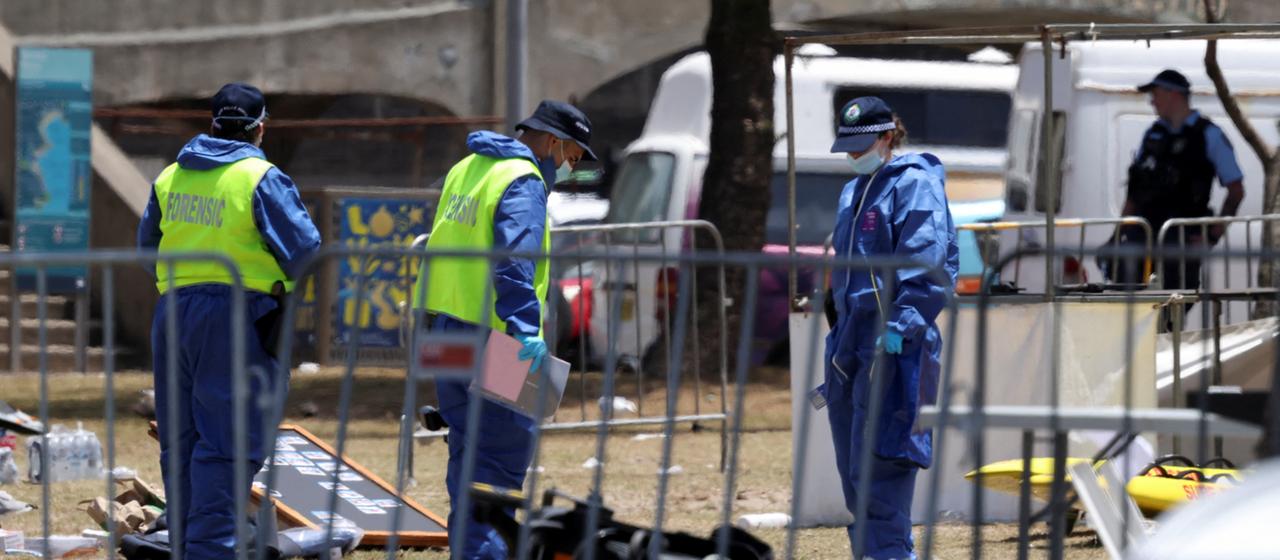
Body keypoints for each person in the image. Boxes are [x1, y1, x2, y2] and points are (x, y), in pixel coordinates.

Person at [136, 83, 321, 559]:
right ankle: (211, 551)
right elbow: (305, 250)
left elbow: (146, 247)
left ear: (213, 124)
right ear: (261, 128)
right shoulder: (260, 177)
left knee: (182, 442)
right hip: (239, 315)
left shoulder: (171, 176)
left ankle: (188, 546)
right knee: (229, 443)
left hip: (174, 313)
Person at [412, 100, 595, 559]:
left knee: (466, 453)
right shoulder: (522, 180)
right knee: (497, 462)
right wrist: (525, 330)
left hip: (444, 331)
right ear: (552, 142)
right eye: (572, 157)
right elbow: (514, 261)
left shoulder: (468, 167)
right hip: (495, 339)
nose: (570, 169)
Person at [819, 97, 958, 560]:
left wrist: (900, 327)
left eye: (862, 144)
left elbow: (927, 264)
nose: (854, 154)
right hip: (850, 347)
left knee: (885, 468)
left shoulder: (915, 184)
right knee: (855, 474)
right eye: (848, 145)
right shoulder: (854, 191)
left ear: (887, 137)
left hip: (897, 348)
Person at [1113, 69, 1244, 290]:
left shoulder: (1208, 134)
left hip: (1181, 240)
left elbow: (1236, 191)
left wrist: (1212, 238)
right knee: (1125, 303)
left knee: (1175, 304)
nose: (1152, 101)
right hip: (1143, 237)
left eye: (1156, 94)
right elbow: (1135, 190)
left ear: (1173, 94)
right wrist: (1117, 237)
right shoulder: (1153, 134)